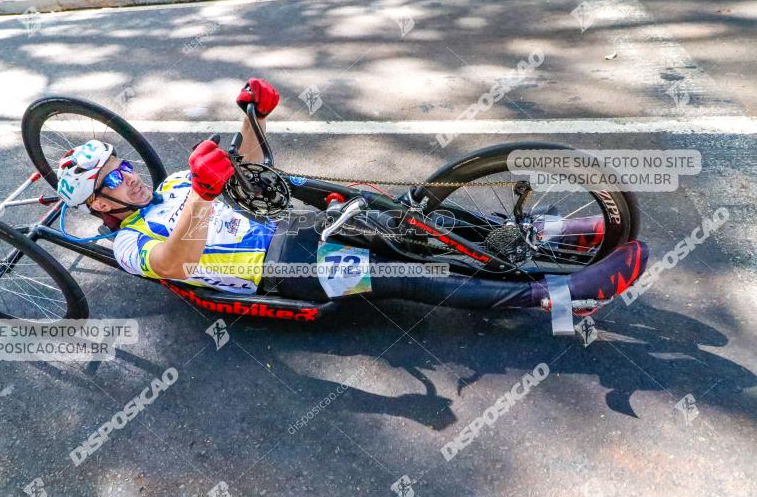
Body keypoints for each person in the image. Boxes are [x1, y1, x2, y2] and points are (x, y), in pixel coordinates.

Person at [56, 78, 648, 310]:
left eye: (121, 162)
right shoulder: (130, 243)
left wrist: (253, 118)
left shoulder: (167, 185)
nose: (127, 175)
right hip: (280, 271)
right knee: (408, 272)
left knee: (410, 223)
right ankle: (557, 300)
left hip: (294, 228)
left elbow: (252, 172)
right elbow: (173, 264)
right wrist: (205, 199)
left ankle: (553, 233)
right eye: (111, 179)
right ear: (101, 207)